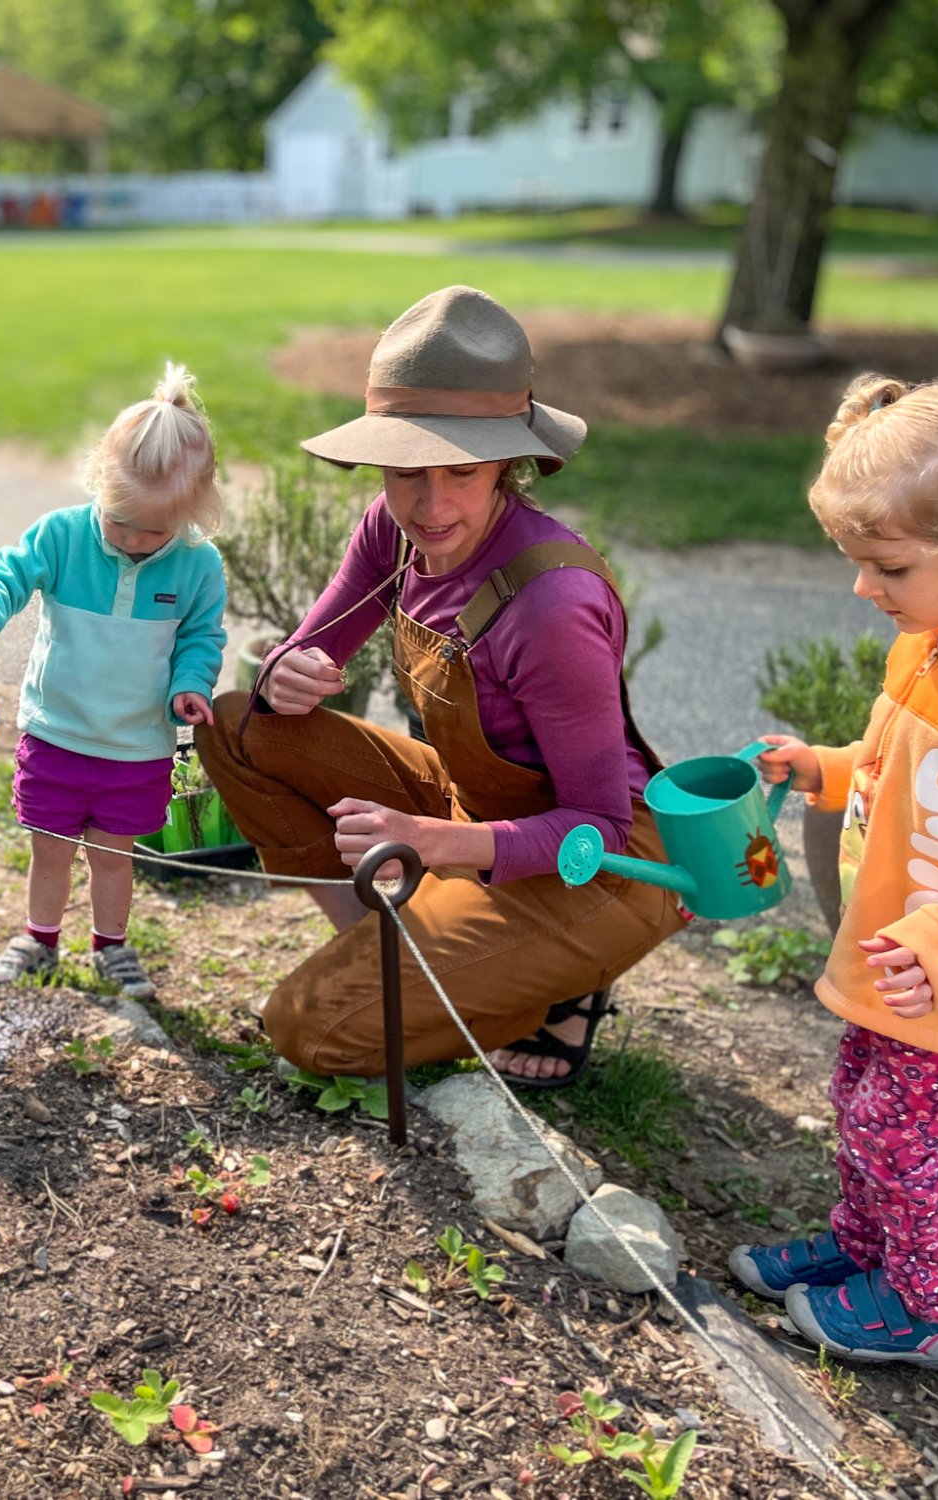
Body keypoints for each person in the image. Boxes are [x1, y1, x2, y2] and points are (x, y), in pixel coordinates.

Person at [195, 285, 684, 1085]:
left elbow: (599, 827)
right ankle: (386, 946)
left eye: (461, 472)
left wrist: (434, 843)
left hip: (595, 866)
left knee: (308, 1032)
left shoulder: (550, 606)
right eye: (405, 471)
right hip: (474, 806)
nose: (431, 504)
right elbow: (308, 648)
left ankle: (558, 987)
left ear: (508, 463)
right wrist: (287, 671)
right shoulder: (391, 531)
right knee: (236, 723)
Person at [728, 376, 938, 1368]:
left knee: (891, 1132)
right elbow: (887, 770)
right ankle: (867, 1247)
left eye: (887, 566)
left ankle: (936, 1305)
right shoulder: (923, 646)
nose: (862, 588)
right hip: (889, 964)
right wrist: (821, 770)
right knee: (857, 1101)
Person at [0, 364, 228, 1002]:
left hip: (136, 746)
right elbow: (7, 574)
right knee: (49, 850)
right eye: (120, 519)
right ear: (98, 483)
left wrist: (191, 684)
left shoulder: (197, 565)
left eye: (154, 529)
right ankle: (38, 939)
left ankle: (112, 947)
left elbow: (201, 639)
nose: (134, 539)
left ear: (192, 512)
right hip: (58, 730)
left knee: (113, 855)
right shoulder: (61, 536)